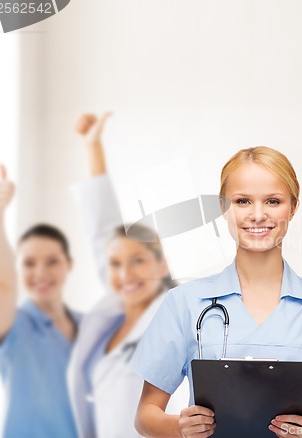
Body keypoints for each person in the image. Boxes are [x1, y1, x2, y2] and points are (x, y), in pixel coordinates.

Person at [131, 146, 302, 438]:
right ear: (223, 207)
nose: (258, 214)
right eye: (242, 201)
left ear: (293, 207)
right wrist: (179, 427)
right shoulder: (185, 304)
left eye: (273, 201)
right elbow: (145, 416)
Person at [67, 113, 189, 438]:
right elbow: (102, 233)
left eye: (138, 260)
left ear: (162, 265)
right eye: (116, 264)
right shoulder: (110, 316)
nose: (126, 274)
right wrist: (93, 147)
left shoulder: (175, 317)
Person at [0, 165, 81, 438]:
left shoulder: (88, 325)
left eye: (52, 261)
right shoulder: (15, 325)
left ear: (69, 265)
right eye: (29, 263)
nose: (40, 273)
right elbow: (4, 284)